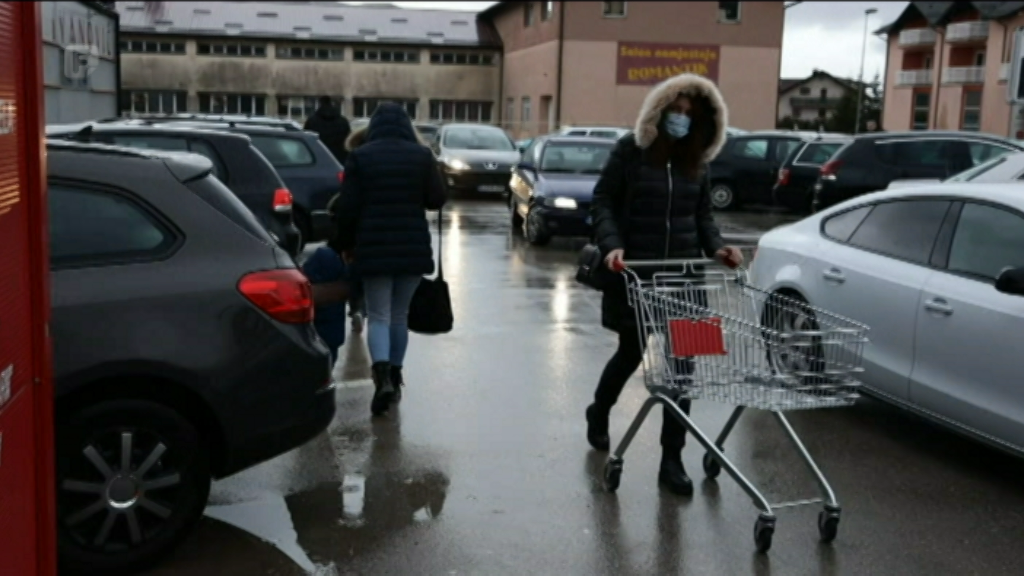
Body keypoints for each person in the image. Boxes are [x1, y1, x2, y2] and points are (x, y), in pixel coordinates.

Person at [586, 72, 744, 496]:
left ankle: (671, 460)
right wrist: (612, 246)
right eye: (675, 111)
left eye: (689, 114)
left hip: (686, 279)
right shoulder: (630, 153)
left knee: (684, 369)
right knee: (630, 354)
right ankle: (598, 411)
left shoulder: (697, 162)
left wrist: (718, 248)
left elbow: (703, 216)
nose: (681, 119)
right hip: (635, 275)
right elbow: (602, 201)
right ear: (659, 112)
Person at [329, 102, 446, 416]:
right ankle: (395, 374)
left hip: (373, 246)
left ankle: (381, 380)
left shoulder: (361, 157)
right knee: (399, 315)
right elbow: (437, 200)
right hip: (412, 248)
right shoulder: (421, 156)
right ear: (408, 127)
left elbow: (348, 208)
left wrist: (343, 244)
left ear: (373, 127)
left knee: (378, 314)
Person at [304, 96, 352, 165]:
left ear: (320, 103)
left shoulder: (312, 121)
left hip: (317, 158)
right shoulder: (343, 121)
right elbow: (348, 142)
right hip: (339, 159)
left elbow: (307, 138)